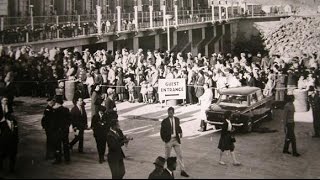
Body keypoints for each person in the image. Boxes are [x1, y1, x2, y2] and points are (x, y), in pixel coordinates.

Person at [160, 107, 189, 178]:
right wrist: (165, 140)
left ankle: (182, 170)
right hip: (169, 140)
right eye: (169, 113)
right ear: (167, 113)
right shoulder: (164, 121)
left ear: (173, 112)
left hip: (176, 140)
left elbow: (178, 127)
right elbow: (162, 132)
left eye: (171, 113)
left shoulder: (177, 119)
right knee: (167, 156)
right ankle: (164, 171)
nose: (170, 114)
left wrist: (181, 132)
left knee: (180, 156)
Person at [0, 96, 18, 173]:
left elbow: (16, 131)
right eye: (4, 100)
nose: (6, 101)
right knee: (3, 154)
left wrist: (17, 139)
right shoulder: (3, 124)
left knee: (13, 155)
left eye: (7, 100)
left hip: (13, 141)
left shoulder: (14, 122)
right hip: (5, 140)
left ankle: (12, 169)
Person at [52, 96, 72, 164]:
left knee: (58, 145)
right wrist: (67, 126)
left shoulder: (55, 111)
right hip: (65, 130)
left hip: (58, 130)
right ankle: (67, 159)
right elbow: (69, 120)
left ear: (57, 103)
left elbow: (54, 122)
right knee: (65, 145)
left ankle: (58, 159)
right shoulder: (66, 110)